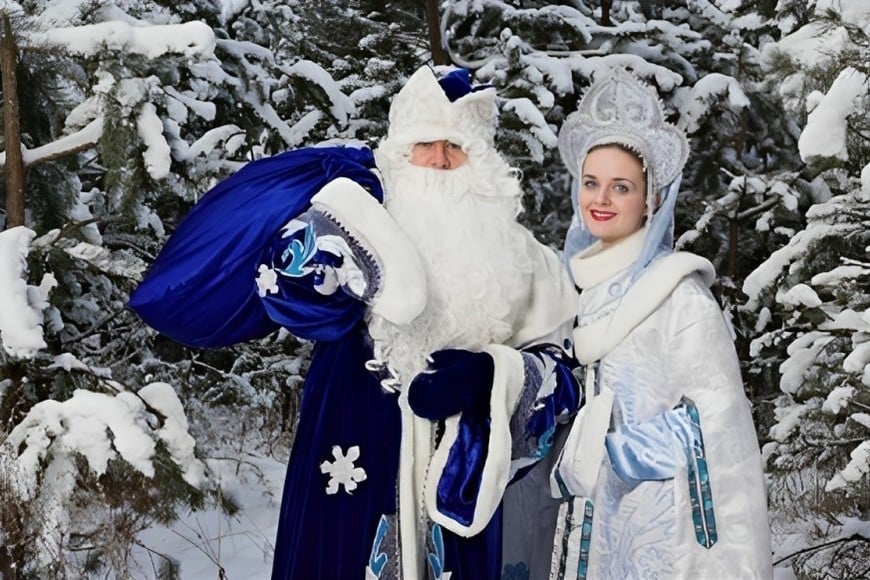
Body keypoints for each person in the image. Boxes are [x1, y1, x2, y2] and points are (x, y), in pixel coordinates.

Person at [128, 65, 581, 579]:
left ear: (482, 162)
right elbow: (290, 297)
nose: (438, 160)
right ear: (399, 153)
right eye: (424, 144)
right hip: (348, 447)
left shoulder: (527, 260)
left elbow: (563, 380)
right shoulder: (361, 227)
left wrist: (492, 379)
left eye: (455, 148)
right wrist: (331, 246)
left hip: (463, 480)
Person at [542, 68, 774, 579]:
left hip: (658, 529)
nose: (600, 200)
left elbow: (717, 423)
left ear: (649, 199)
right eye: (591, 183)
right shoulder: (569, 290)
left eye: (620, 187)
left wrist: (621, 453)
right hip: (580, 524)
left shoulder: (678, 296)